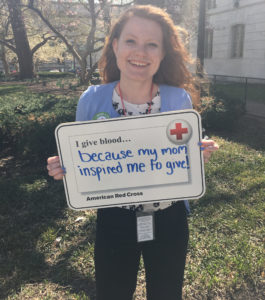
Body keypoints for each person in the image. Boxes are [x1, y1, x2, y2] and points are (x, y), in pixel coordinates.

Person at [47, 5, 219, 300]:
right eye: (131, 41)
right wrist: (66, 167)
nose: (141, 52)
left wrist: (198, 155)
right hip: (115, 219)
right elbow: (81, 160)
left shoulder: (178, 99)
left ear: (163, 53)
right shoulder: (92, 100)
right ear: (115, 45)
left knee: (166, 294)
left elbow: (185, 153)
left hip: (170, 219)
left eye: (152, 44)